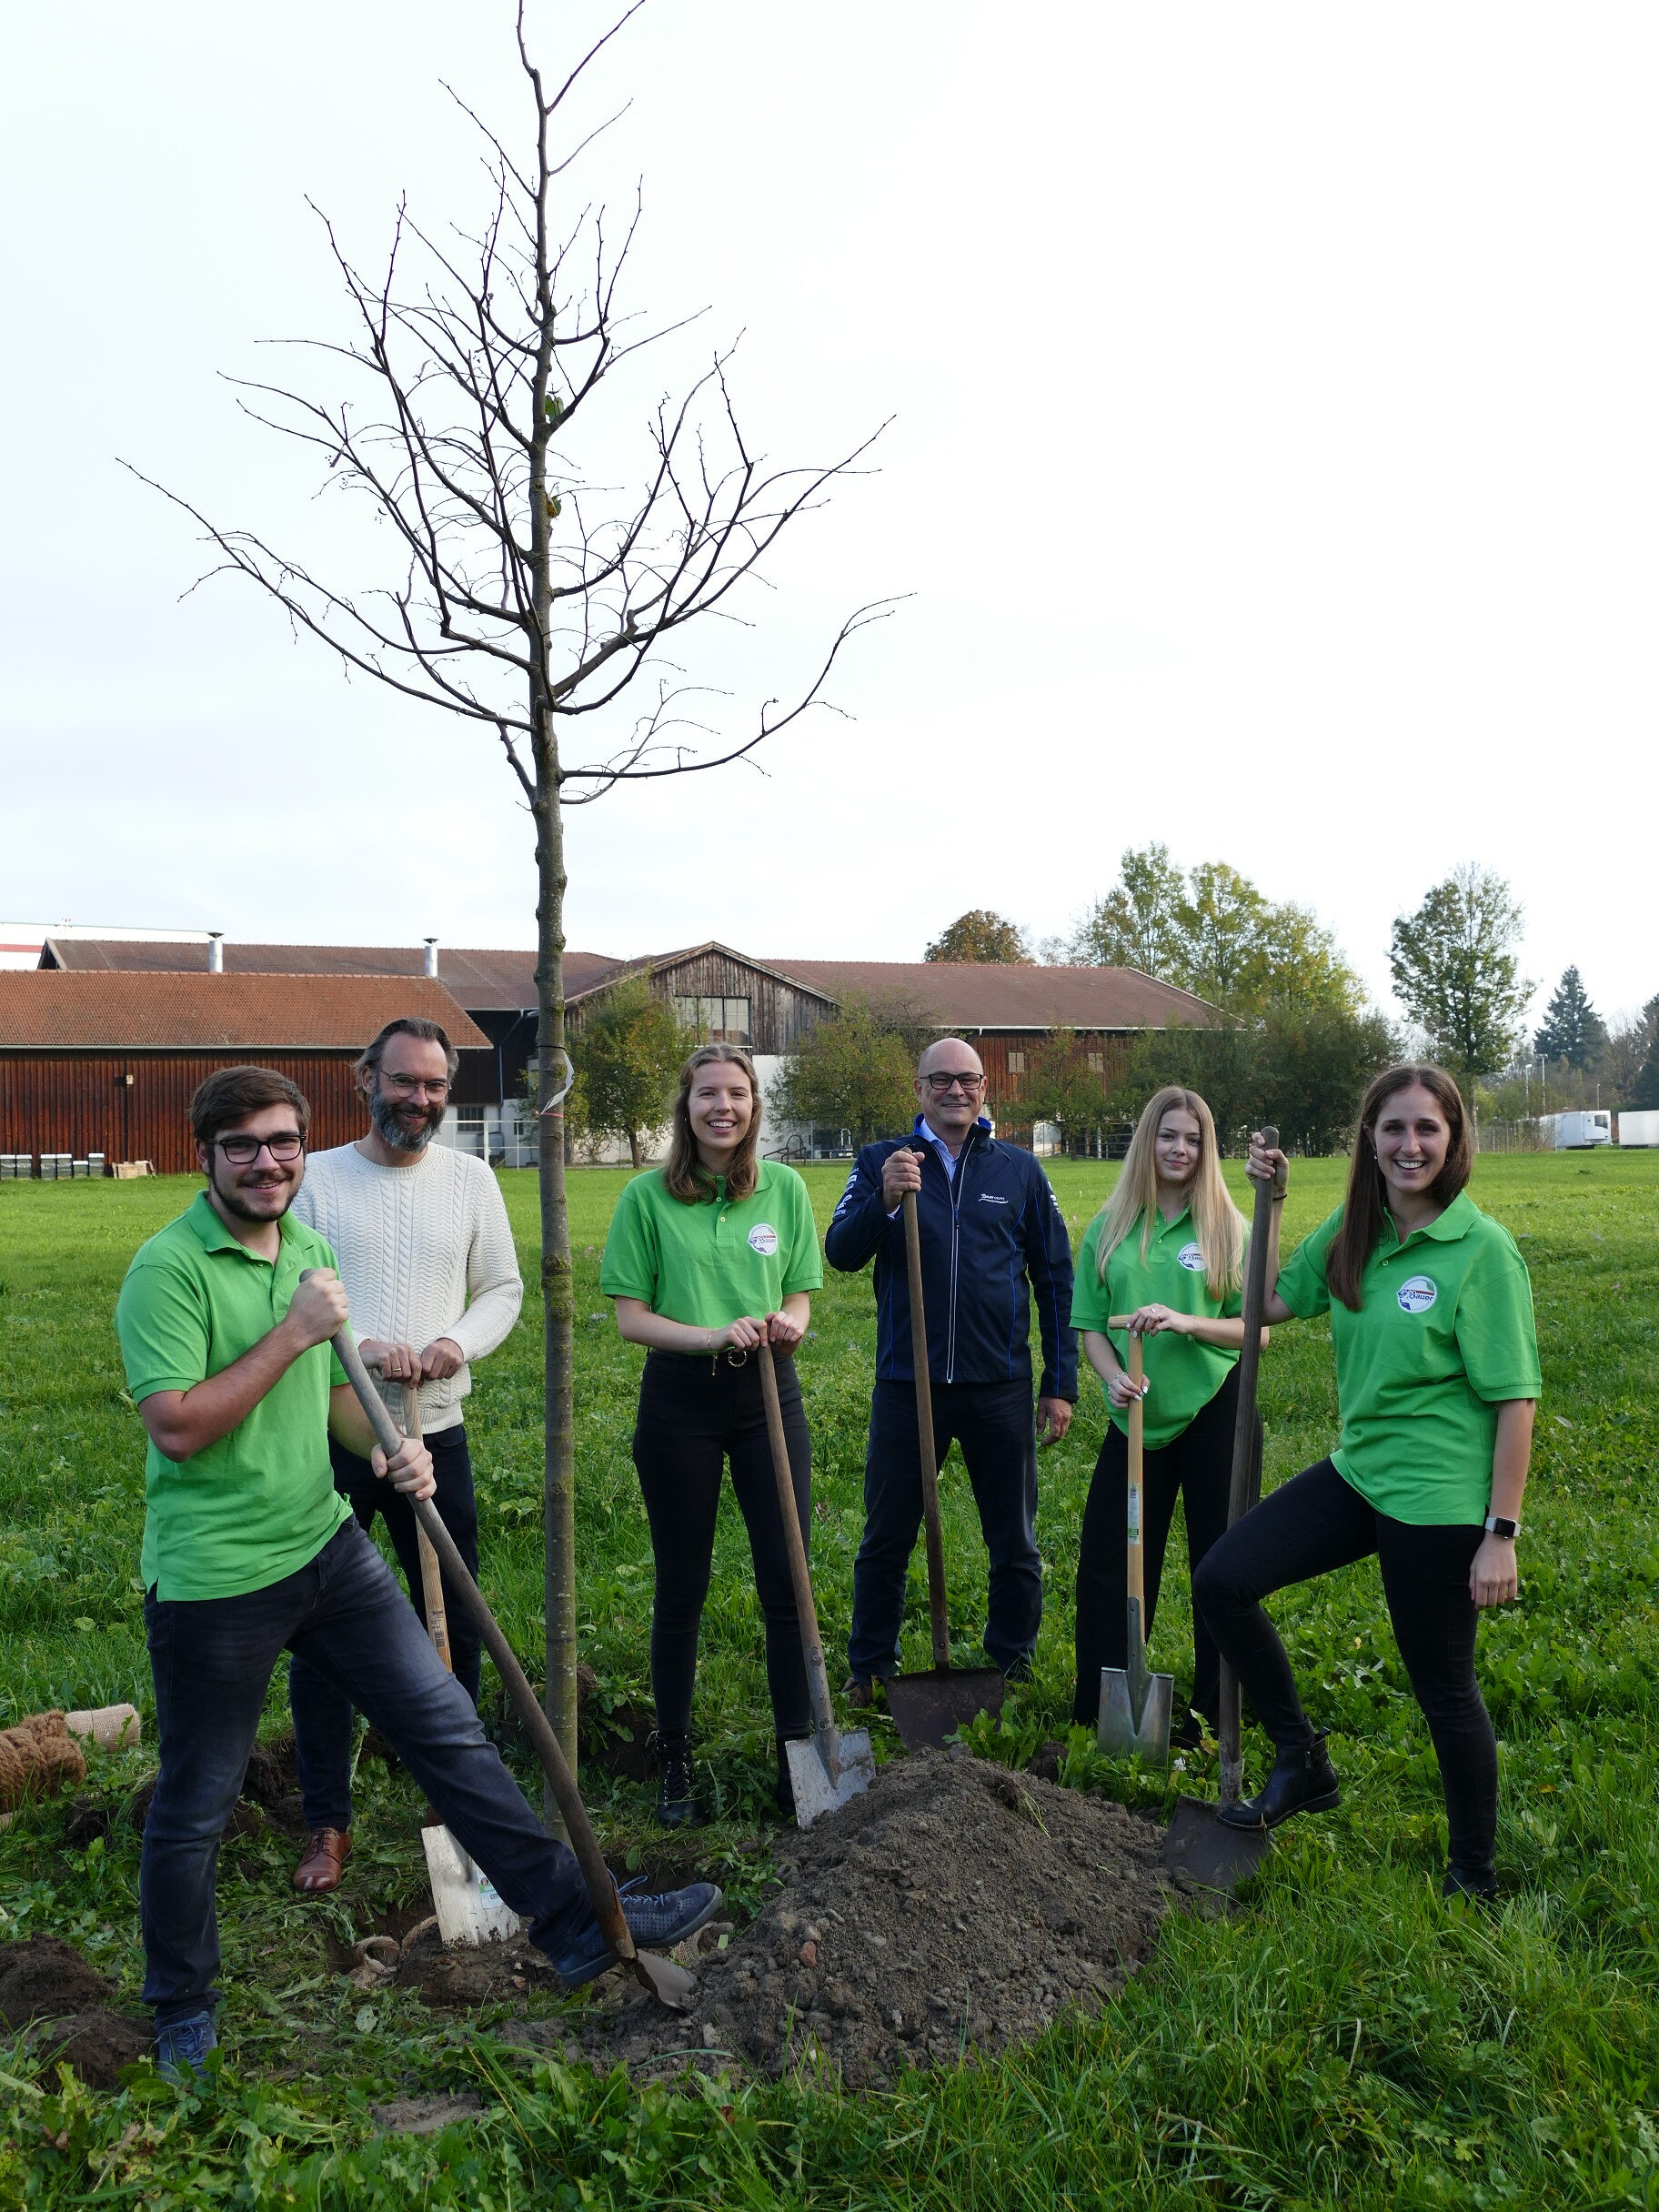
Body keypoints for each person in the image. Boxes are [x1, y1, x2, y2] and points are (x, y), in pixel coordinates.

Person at [114, 1066, 719, 2081]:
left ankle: (573, 1918)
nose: (268, 1161)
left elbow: (332, 1398)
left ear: (304, 1148)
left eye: (282, 1143)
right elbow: (177, 1426)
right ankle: (181, 2000)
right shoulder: (167, 1270)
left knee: (447, 1727)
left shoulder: (304, 1247)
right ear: (204, 1154)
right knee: (197, 1798)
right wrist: (295, 1329)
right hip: (216, 1578)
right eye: (244, 1145)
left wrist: (390, 1445)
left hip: (324, 1538)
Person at [1192, 1065, 1540, 1902]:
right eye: (1393, 1129)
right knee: (1224, 1581)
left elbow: (1515, 1399)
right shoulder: (1357, 1232)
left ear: (1454, 1140)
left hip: (1440, 1500)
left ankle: (1474, 1874)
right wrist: (1268, 1209)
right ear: (1369, 1140)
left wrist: (1500, 1532)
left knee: (1443, 1688)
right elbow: (1266, 1303)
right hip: (1361, 1473)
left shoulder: (1480, 1249)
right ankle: (1302, 1759)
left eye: (1427, 1129)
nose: (1409, 1145)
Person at [286, 1016, 523, 1895]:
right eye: (402, 1082)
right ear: (365, 1080)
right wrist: (365, 1344)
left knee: (452, 1611)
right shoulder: (315, 1183)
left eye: (433, 1087)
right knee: (320, 1632)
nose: (417, 1101)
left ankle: (469, 1802)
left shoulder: (471, 1179)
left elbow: (503, 1286)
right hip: (334, 1428)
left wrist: (453, 1344)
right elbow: (292, 1295)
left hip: (435, 1427)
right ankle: (326, 1821)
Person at [600, 1043, 823, 1825]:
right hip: (680, 1402)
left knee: (785, 1580)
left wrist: (785, 1327)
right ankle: (675, 1758)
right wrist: (712, 1337)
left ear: (754, 1106)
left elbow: (799, 1295)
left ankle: (801, 1750)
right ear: (685, 1106)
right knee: (683, 1586)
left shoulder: (785, 1189)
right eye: (707, 1095)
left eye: (737, 1094)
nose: (723, 1107)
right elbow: (632, 1318)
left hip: (768, 1396)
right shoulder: (646, 1198)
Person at [825, 1037, 1077, 1698]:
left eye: (968, 1080)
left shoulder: (1019, 1171)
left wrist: (1059, 1383)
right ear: (918, 1089)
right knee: (886, 1536)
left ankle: (1011, 1665)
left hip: (998, 1385)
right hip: (909, 1387)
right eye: (941, 1080)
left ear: (985, 1090)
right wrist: (883, 1199)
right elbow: (840, 1252)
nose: (955, 1091)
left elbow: (1054, 1279)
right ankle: (871, 1669)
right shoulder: (883, 1160)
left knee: (1014, 1540)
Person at [1069, 1086, 1262, 1744]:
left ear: (1207, 1151)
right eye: (1168, 1135)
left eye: (1194, 1139)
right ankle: (1106, 1710)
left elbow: (1256, 1333)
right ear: (1146, 1141)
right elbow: (1090, 1326)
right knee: (1108, 1562)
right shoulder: (1112, 1226)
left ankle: (1217, 1712)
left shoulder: (1230, 1229)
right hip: (1136, 1418)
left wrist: (1184, 1322)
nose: (1180, 1149)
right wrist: (1112, 1378)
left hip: (1216, 1410)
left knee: (1221, 1563)